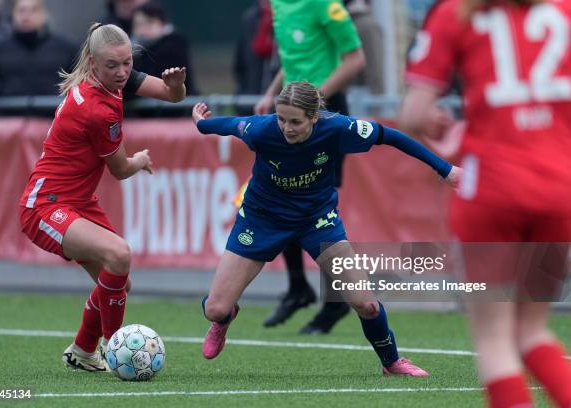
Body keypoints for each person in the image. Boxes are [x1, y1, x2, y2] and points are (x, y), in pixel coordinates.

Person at [194, 80, 462, 376]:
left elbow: (392, 136)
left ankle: (392, 362)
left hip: (317, 220)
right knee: (215, 309)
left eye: (296, 121)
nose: (287, 128)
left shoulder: (338, 129)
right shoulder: (261, 130)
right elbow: (227, 124)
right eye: (281, 119)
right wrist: (201, 123)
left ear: (314, 117)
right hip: (262, 217)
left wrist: (445, 169)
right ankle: (225, 317)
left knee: (367, 305)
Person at [397, 0, 571, 406]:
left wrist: (445, 128)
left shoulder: (457, 12)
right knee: (532, 332)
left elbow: (413, 112)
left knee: (495, 339)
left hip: (492, 187)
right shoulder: (563, 10)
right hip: (559, 187)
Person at [19, 23, 186, 372]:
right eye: (114, 65)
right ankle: (116, 349)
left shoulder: (114, 78)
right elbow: (121, 169)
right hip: (45, 205)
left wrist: (176, 86)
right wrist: (140, 160)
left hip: (76, 202)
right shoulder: (97, 109)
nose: (124, 71)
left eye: (128, 62)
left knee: (119, 277)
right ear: (94, 64)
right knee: (119, 255)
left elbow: (173, 97)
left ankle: (82, 350)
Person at [254, 0, 367, 335]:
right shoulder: (278, 5)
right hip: (293, 112)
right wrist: (273, 93)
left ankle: (334, 299)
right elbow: (293, 60)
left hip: (323, 114)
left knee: (313, 207)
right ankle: (298, 287)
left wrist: (311, 101)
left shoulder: (325, 5)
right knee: (281, 195)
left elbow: (356, 60)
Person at [0, 0, 77, 97]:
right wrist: (2, 90)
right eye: (21, 10)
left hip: (53, 115)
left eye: (33, 10)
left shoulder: (65, 48)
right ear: (13, 14)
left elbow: (83, 81)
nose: (26, 16)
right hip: (9, 115)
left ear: (43, 14)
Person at [132, 1, 198, 95]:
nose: (143, 29)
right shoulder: (135, 50)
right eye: (138, 24)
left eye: (149, 22)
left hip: (177, 106)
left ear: (163, 23)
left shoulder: (173, 45)